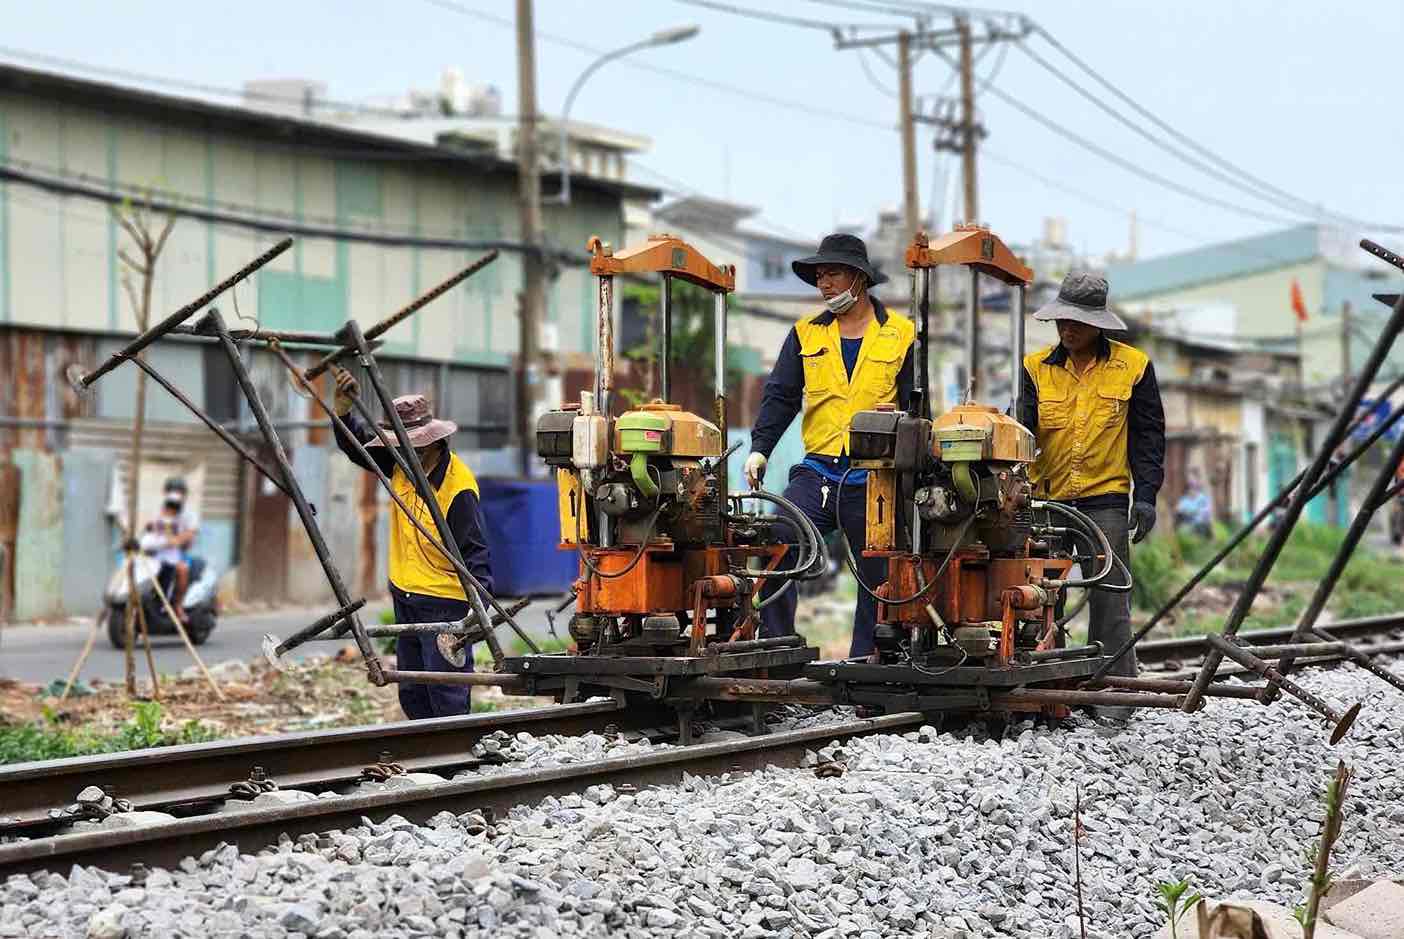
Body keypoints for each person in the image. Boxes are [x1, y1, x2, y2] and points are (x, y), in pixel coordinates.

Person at [745, 233, 914, 657]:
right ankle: (778, 646)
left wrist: (900, 415)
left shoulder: (902, 335)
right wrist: (760, 447)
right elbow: (780, 396)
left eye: (833, 274)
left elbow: (920, 406)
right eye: (820, 276)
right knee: (780, 538)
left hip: (875, 474)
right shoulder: (805, 335)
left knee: (878, 569)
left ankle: (867, 660)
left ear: (859, 278)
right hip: (818, 469)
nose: (825, 284)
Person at [1018, 271, 1166, 718]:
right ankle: (1050, 692)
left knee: (1109, 596)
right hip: (1047, 502)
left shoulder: (1134, 367)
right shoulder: (1033, 369)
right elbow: (1020, 435)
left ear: (1099, 323)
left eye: (1078, 321)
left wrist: (1147, 496)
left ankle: (1112, 699)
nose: (1068, 328)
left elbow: (1148, 437)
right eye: (1063, 319)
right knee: (1041, 599)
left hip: (1105, 500)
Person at [329, 368, 494, 719]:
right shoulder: (403, 464)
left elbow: (475, 551)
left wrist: (476, 612)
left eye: (415, 444)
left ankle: (454, 759)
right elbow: (358, 448)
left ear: (435, 441)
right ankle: (425, 760)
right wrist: (343, 411)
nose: (407, 451)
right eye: (401, 444)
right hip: (405, 592)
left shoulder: (457, 488)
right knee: (413, 691)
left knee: (445, 691)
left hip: (444, 602)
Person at [142, 477, 198, 622]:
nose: (175, 494)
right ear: (165, 493)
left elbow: (190, 534)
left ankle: (177, 605)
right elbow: (149, 528)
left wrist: (177, 540)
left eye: (179, 491)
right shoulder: (158, 510)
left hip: (179, 553)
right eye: (172, 491)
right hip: (156, 553)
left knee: (182, 569)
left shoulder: (189, 514)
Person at [1175, 469, 1214, 538]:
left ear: (1198, 481)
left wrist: (1191, 513)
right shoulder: (1184, 500)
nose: (1191, 482)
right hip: (1187, 528)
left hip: (1201, 529)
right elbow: (1179, 511)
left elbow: (1206, 514)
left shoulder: (1204, 499)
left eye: (1193, 479)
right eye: (1189, 480)